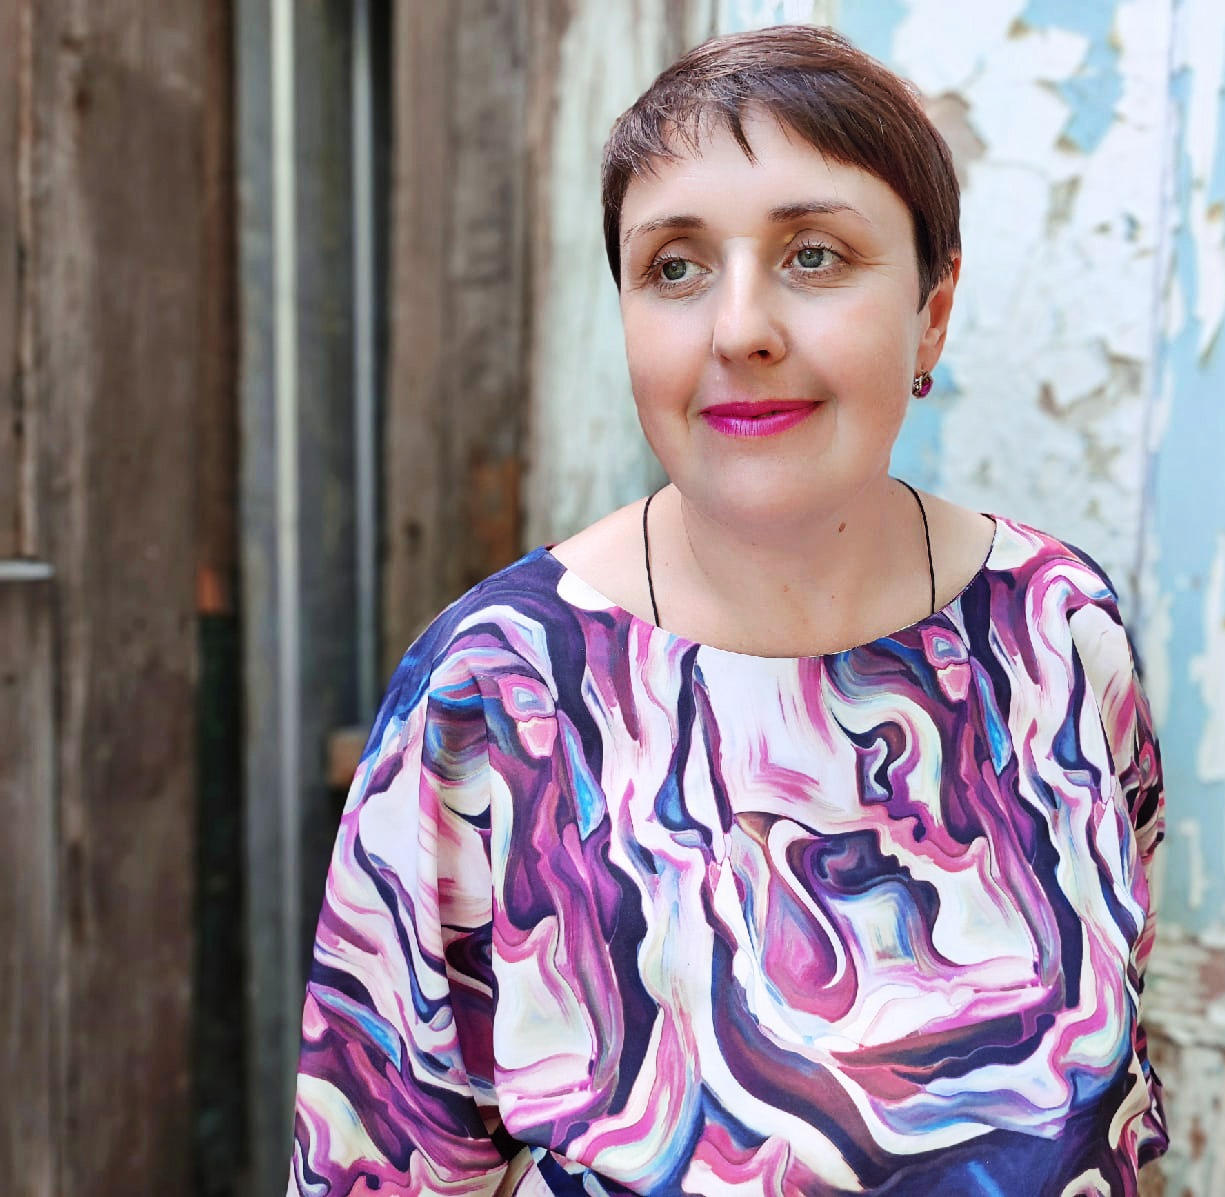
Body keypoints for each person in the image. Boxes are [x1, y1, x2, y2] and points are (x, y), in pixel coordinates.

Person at [287, 24, 1167, 1197]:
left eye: (813, 254)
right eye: (675, 267)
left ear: (932, 312)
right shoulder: (497, 693)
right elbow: (378, 1167)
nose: (738, 328)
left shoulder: (1059, 630)